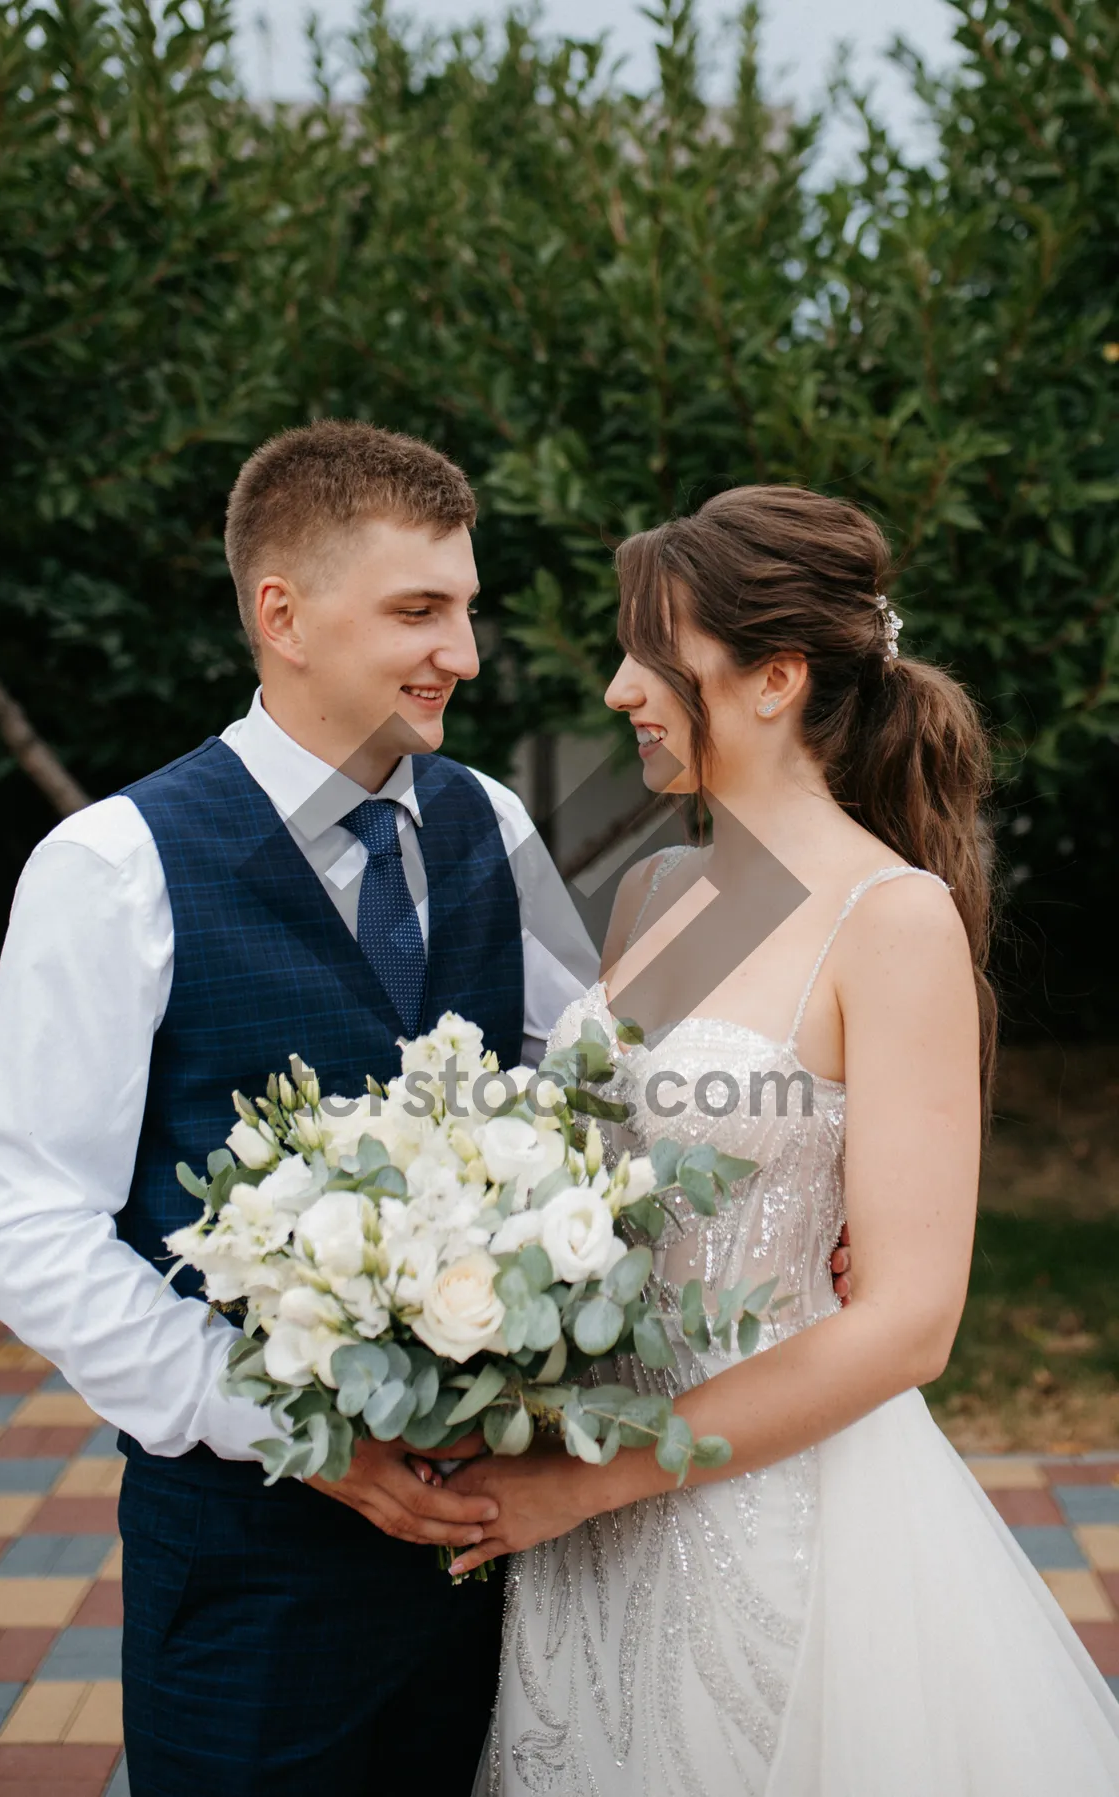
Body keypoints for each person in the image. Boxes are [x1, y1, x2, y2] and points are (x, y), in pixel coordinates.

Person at [0, 421, 599, 1796]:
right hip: (246, 1577)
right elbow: (16, 1223)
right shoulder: (112, 866)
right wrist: (297, 1432)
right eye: (420, 610)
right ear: (283, 615)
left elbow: (598, 1101)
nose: (465, 655)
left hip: (492, 1557)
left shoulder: (494, 824)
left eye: (467, 609)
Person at [449, 485, 1119, 1795]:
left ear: (774, 679)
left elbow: (910, 1324)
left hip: (767, 1520)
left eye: (654, 654)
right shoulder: (660, 889)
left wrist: (592, 1481)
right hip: (586, 1507)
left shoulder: (893, 920)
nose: (615, 690)